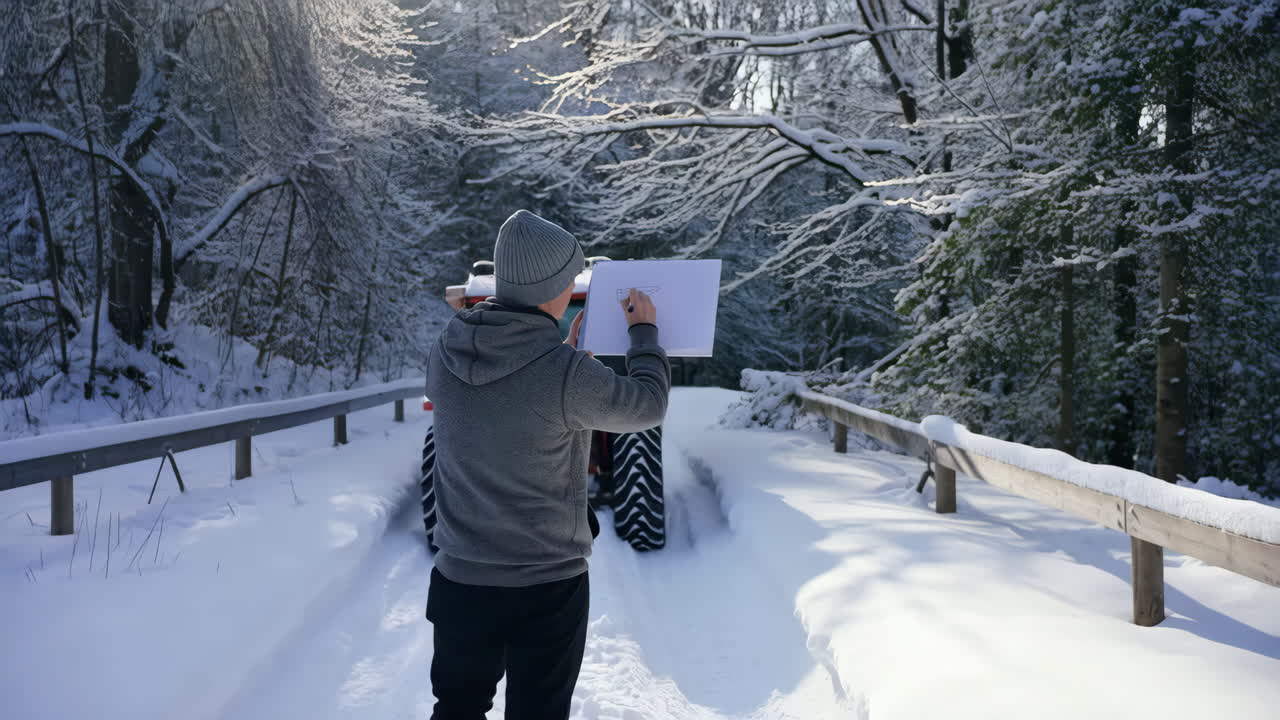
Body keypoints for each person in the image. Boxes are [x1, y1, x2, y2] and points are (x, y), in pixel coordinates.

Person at [424, 209, 670, 719]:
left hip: (459, 580)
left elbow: (507, 396)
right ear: (557, 286)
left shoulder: (444, 351)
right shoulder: (565, 374)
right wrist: (644, 335)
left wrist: (566, 357)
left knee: (456, 708)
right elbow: (647, 406)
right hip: (545, 586)